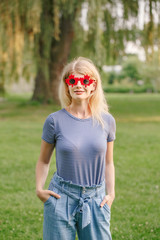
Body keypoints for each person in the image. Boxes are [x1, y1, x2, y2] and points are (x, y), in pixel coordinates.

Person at [35, 57, 116, 240]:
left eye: (85, 80)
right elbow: (43, 160)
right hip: (60, 197)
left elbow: (108, 163)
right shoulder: (54, 121)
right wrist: (39, 189)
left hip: (96, 199)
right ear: (67, 86)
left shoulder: (107, 121)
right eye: (73, 80)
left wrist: (110, 194)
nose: (79, 85)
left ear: (93, 85)